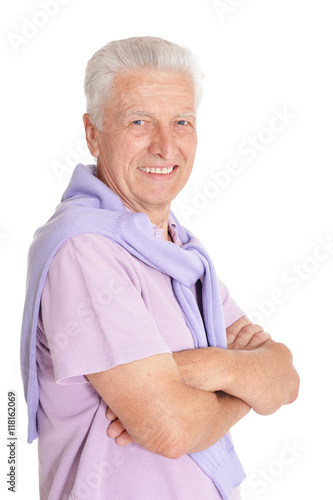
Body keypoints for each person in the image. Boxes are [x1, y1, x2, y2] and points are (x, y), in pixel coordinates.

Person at [20, 36, 300, 500]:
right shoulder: (84, 250)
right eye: (139, 121)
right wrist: (240, 377)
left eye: (182, 122)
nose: (165, 145)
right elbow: (170, 429)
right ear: (93, 133)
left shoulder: (178, 250)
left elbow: (285, 380)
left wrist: (207, 369)